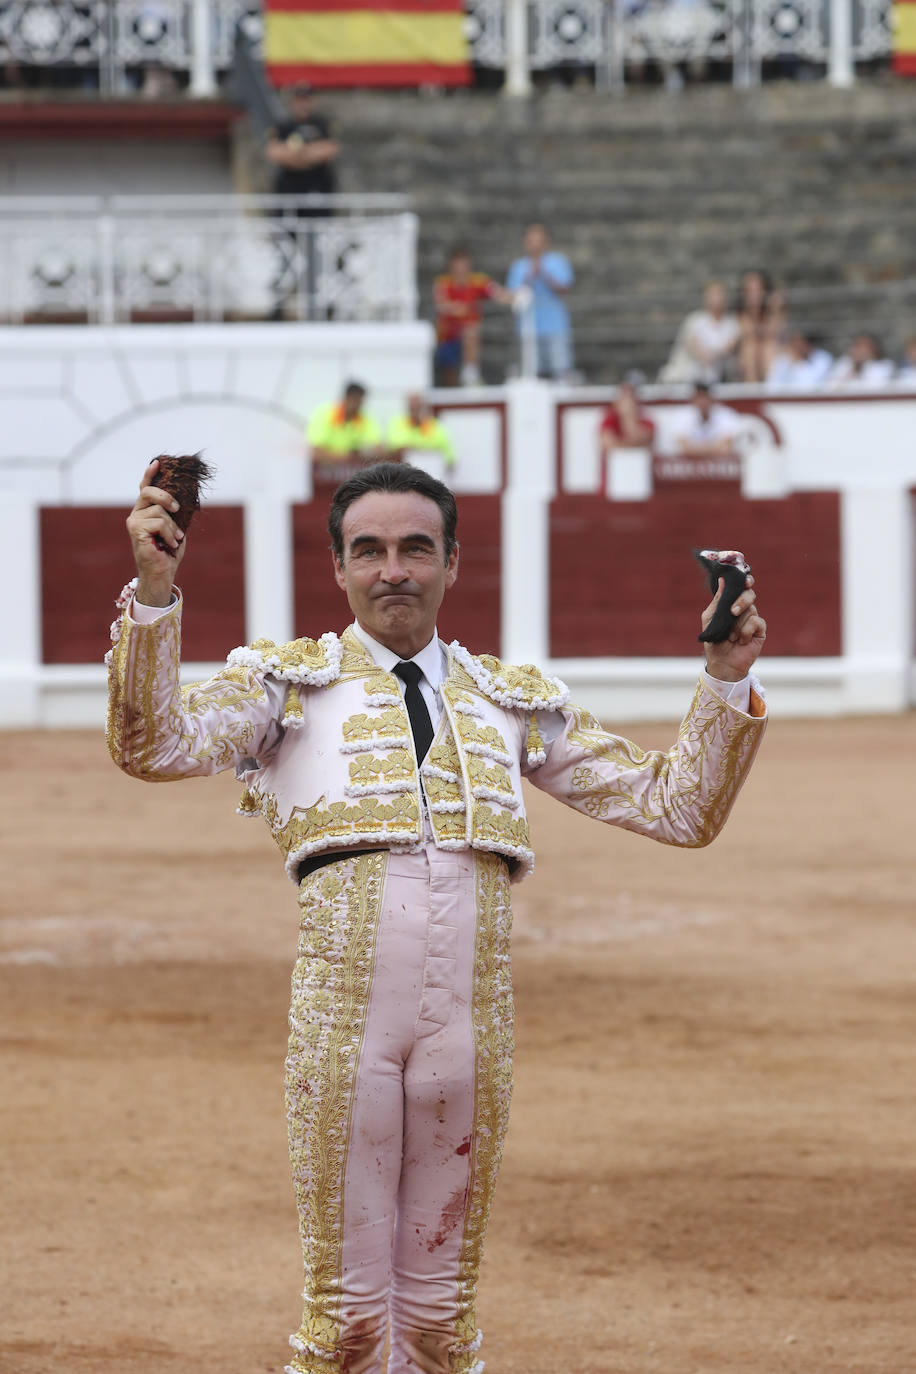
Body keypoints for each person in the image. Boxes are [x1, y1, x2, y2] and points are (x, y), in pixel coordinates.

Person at [108, 459, 767, 1374]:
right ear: (338, 569)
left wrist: (726, 679)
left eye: (416, 548)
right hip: (345, 1032)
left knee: (438, 1322)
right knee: (343, 1321)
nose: (394, 571)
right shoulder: (285, 688)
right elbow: (151, 743)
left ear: (453, 562)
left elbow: (678, 808)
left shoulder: (510, 701)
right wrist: (154, 590)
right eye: (369, 551)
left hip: (469, 1032)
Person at [266, 83, 340, 319]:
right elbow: (275, 153)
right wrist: (307, 156)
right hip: (289, 202)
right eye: (299, 99)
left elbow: (329, 150)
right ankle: (279, 306)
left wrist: (298, 156)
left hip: (317, 201)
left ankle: (324, 304)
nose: (303, 103)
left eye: (306, 98)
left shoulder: (323, 125)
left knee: (321, 254)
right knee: (284, 255)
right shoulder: (283, 126)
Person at [433, 247, 511, 387]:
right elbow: (441, 305)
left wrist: (514, 298)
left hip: (468, 334)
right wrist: (456, 308)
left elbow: (497, 293)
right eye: (458, 264)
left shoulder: (477, 281)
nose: (461, 268)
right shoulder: (443, 282)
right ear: (452, 265)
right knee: (450, 376)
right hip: (448, 335)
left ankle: (471, 374)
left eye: (464, 264)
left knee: (471, 331)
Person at [506, 223, 575, 380]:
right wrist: (530, 277)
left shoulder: (558, 262)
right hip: (528, 330)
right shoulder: (519, 266)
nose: (535, 244)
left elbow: (565, 289)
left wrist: (544, 274)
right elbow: (513, 296)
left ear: (546, 241)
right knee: (532, 375)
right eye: (532, 240)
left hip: (555, 327)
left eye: (539, 240)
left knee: (561, 373)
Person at [659, 281, 741, 385]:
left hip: (721, 373)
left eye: (718, 294)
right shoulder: (695, 320)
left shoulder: (731, 323)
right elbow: (692, 344)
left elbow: (730, 346)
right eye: (711, 295)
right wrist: (705, 358)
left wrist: (714, 357)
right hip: (693, 371)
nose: (715, 299)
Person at [306, 380, 382, 483]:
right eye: (357, 400)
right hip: (326, 479)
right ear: (347, 398)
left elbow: (379, 450)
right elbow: (317, 453)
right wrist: (350, 457)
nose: (360, 405)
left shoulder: (364, 419)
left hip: (352, 478)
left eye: (361, 401)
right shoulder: (324, 414)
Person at [736, 269, 786, 383]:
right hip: (749, 353)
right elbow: (748, 332)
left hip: (772, 349)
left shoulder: (774, 307)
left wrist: (775, 310)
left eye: (758, 290)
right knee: (750, 347)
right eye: (750, 291)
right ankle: (752, 388)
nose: (754, 294)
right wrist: (754, 311)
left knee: (768, 347)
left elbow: (775, 331)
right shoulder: (741, 311)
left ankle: (769, 389)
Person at [672, 383, 743, 462]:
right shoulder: (683, 415)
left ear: (712, 399)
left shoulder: (726, 414)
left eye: (705, 397)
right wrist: (714, 449)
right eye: (699, 397)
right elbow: (683, 447)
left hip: (719, 466)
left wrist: (695, 449)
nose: (702, 401)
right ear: (693, 399)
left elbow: (727, 446)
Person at [387, 394, 457, 468]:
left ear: (424, 407)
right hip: (406, 469)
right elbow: (396, 446)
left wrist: (414, 446)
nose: (415, 411)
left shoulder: (435, 425)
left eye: (418, 407)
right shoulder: (397, 423)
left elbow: (447, 450)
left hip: (433, 468)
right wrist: (425, 446)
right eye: (412, 407)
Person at [599, 380, 656, 460]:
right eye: (625, 397)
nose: (628, 402)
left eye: (631, 397)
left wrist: (628, 417)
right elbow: (607, 444)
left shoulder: (646, 419)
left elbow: (644, 440)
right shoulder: (609, 418)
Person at [766, 330, 834, 390]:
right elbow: (772, 385)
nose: (798, 347)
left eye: (801, 343)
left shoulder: (823, 358)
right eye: (794, 343)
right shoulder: (782, 360)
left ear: (808, 344)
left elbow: (810, 386)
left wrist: (798, 363)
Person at [827, 333, 895, 387]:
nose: (860, 350)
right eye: (858, 346)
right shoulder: (844, 363)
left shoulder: (885, 365)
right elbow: (830, 387)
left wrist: (862, 365)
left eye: (865, 346)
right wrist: (854, 369)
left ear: (874, 348)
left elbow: (876, 387)